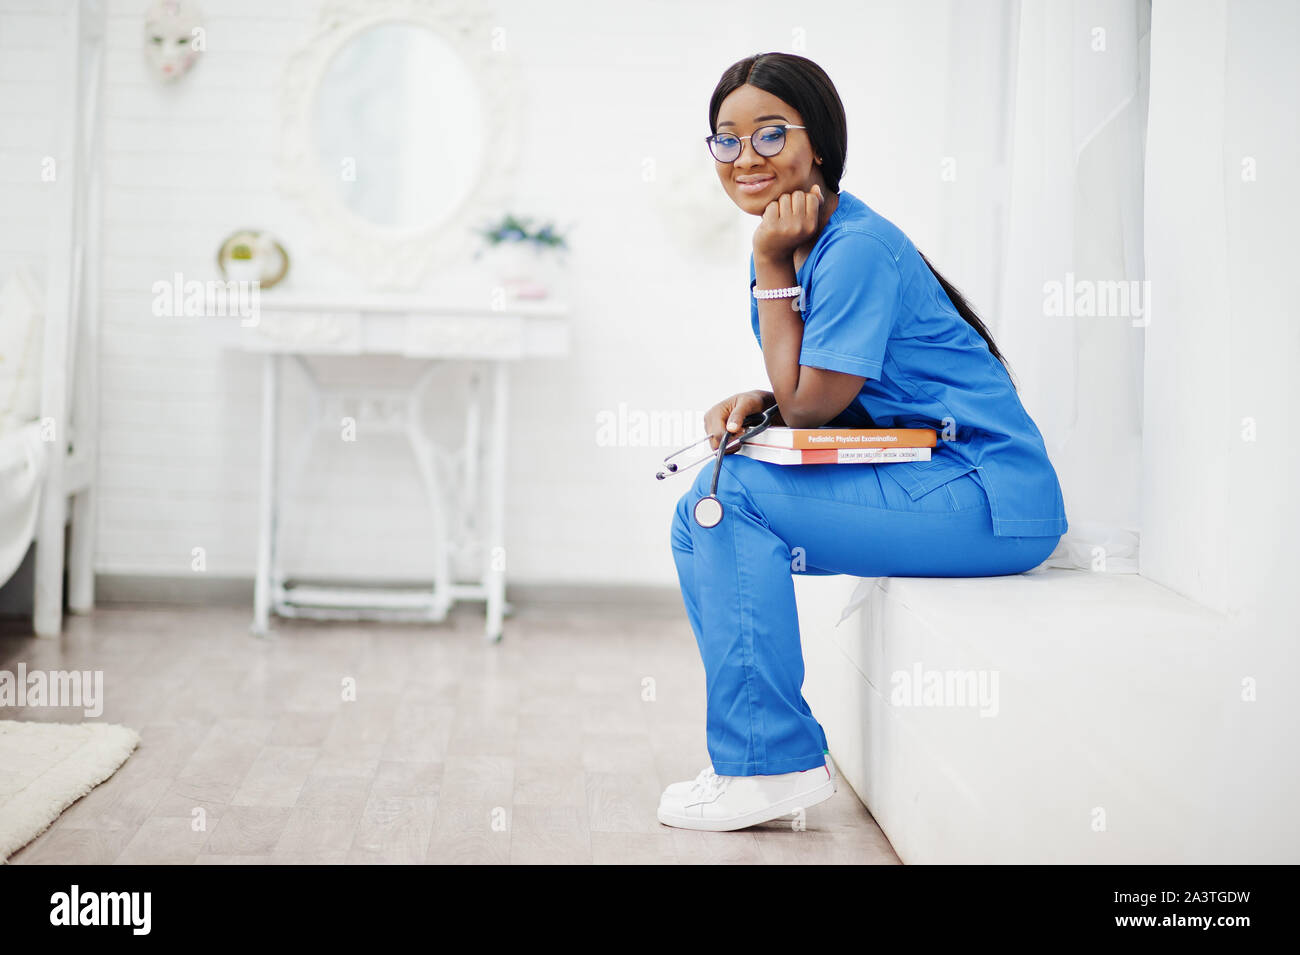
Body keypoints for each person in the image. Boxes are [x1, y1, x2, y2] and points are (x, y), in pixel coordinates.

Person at [659, 52, 1068, 832]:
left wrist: (768, 262)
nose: (746, 156)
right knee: (698, 508)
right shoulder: (827, 238)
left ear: (820, 143)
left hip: (987, 495)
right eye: (726, 139)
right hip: (947, 480)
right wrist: (766, 402)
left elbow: (813, 407)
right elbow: (823, 395)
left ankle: (769, 763)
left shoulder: (847, 249)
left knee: (728, 498)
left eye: (770, 133)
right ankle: (757, 753)